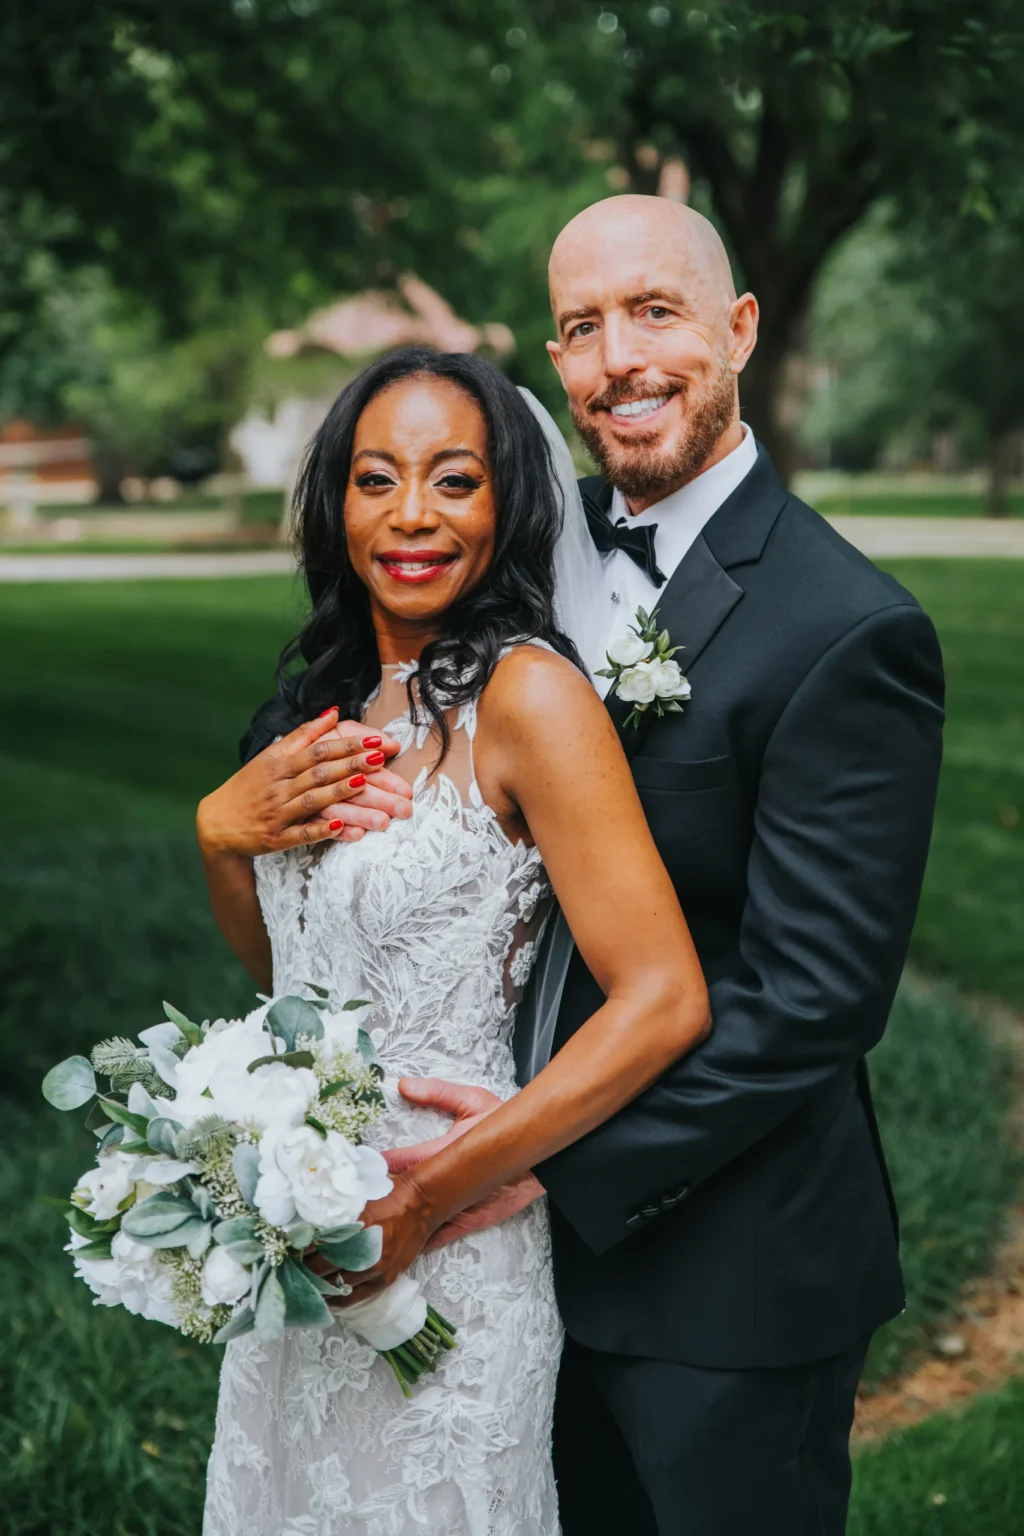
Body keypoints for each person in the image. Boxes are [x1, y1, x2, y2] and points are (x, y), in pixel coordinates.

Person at [297, 196, 944, 1535]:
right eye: (583, 327)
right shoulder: (515, 546)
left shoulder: (849, 629)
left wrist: (539, 1169)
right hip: (499, 1272)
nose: (617, 359)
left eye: (655, 311)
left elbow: (815, 995)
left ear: (739, 330)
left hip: (723, 1272)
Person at [196, 344, 710, 1535]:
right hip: (303, 1241)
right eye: (377, 479)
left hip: (453, 1253)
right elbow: (293, 982)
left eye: (454, 480)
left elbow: (663, 998)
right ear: (336, 503)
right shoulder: (322, 706)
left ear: (508, 501)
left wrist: (422, 1201)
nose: (412, 516)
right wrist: (224, 839)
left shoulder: (530, 700)